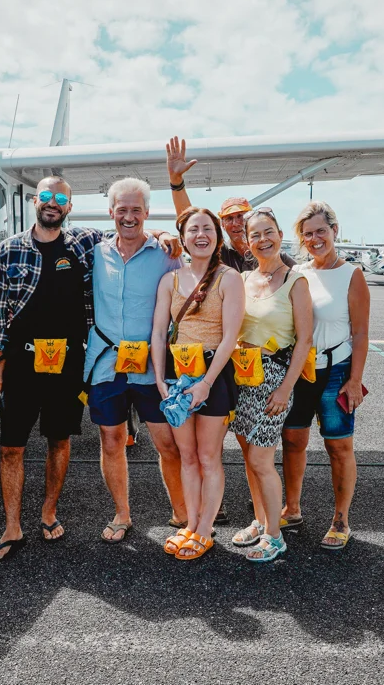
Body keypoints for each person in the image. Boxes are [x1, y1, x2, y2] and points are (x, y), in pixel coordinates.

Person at [0, 175, 178, 561]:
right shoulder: (8, 250)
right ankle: (12, 526)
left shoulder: (85, 244)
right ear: (35, 201)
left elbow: (129, 230)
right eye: (46, 196)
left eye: (60, 198)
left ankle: (48, 512)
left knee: (60, 440)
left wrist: (159, 234)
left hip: (68, 361)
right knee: (10, 448)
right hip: (21, 361)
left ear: (69, 206)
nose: (52, 203)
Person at [85, 177, 185, 543]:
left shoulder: (167, 254)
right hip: (106, 362)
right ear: (111, 212)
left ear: (146, 213)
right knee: (111, 440)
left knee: (167, 443)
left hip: (153, 364)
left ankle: (182, 514)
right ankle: (122, 514)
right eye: (122, 210)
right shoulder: (94, 252)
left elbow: (182, 306)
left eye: (136, 210)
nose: (129, 216)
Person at [150, 207, 244, 560]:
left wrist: (206, 382)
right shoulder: (170, 281)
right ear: (183, 237)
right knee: (187, 456)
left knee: (208, 456)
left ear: (217, 236)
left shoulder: (229, 278)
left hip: (213, 373)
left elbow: (231, 336)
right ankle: (190, 523)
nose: (200, 234)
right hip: (176, 373)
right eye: (193, 229)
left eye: (208, 228)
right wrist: (160, 378)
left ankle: (205, 528)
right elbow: (159, 332)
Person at [280, 201, 370, 550]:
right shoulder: (299, 273)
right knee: (292, 440)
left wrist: (354, 379)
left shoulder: (352, 275)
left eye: (321, 231)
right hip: (301, 370)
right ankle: (292, 509)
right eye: (308, 234)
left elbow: (361, 333)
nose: (315, 239)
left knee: (338, 446)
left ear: (335, 230)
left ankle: (340, 519)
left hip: (337, 371)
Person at [229, 210, 313, 562]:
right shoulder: (243, 279)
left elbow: (305, 340)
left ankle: (275, 536)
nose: (263, 240)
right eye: (255, 235)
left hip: (275, 378)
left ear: (280, 234)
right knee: (249, 457)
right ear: (246, 242)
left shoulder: (296, 281)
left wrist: (284, 389)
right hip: (242, 376)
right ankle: (261, 520)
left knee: (262, 459)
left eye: (269, 232)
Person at [166, 136, 296, 272]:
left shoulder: (277, 256)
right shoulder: (219, 252)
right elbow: (189, 219)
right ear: (222, 224)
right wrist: (176, 181)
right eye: (229, 218)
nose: (235, 223)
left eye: (240, 216)